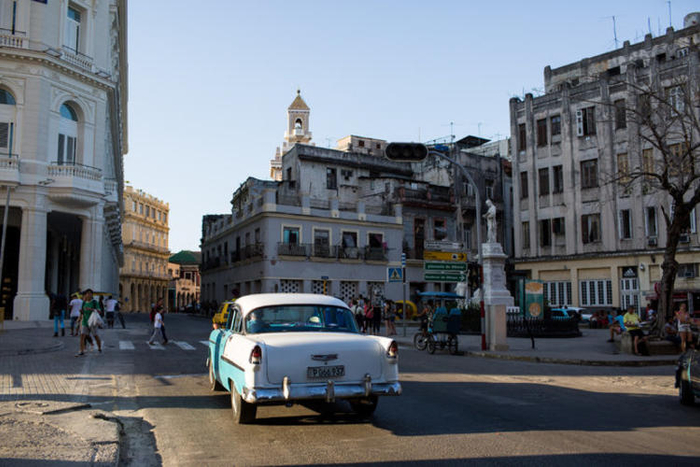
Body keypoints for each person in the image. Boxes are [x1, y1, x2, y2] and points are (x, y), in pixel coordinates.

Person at [76, 289, 102, 356]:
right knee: (82, 335)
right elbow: (82, 312)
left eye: (90, 293)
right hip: (85, 321)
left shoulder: (94, 302)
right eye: (87, 293)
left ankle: (99, 347)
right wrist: (80, 316)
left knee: (95, 335)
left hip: (92, 322)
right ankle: (81, 350)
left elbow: (99, 311)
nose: (88, 295)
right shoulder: (84, 303)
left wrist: (91, 309)